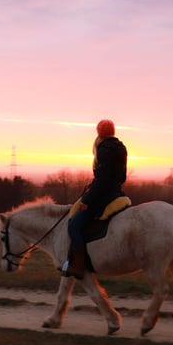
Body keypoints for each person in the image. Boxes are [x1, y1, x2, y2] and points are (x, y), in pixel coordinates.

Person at [62, 119, 128, 279]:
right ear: (113, 131)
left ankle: (78, 265)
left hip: (103, 197)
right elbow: (122, 176)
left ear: (99, 133)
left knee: (74, 225)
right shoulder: (121, 147)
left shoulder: (103, 149)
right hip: (116, 194)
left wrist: (87, 200)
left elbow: (103, 180)